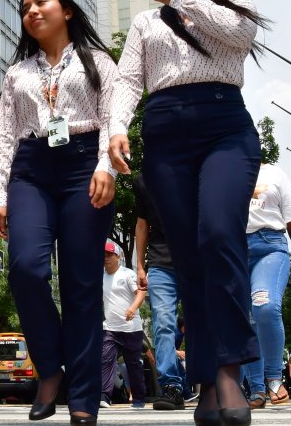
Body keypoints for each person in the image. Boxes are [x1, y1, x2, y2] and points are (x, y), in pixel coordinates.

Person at [110, 0, 268, 426]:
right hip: (164, 135)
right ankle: (205, 380)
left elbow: (238, 37)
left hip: (225, 128)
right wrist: (116, 128)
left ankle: (227, 375)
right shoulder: (144, 23)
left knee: (219, 236)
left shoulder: (234, 6)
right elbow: (128, 79)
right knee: (189, 260)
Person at [0, 0, 117, 424]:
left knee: (80, 285)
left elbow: (113, 120)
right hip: (32, 169)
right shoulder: (17, 73)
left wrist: (107, 168)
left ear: (67, 11)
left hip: (85, 164)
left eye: (41, 2)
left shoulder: (98, 62)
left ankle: (83, 394)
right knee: (26, 267)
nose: (32, 10)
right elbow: (5, 136)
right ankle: (49, 370)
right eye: (25, 7)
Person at [241, 163, 291, 408]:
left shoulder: (275, 173)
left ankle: (274, 378)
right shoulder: (222, 171)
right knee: (247, 319)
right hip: (233, 249)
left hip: (270, 245)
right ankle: (256, 389)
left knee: (264, 306)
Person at [134, 174, 187, 410]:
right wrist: (140, 266)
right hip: (160, 264)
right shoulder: (143, 180)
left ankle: (213, 383)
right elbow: (142, 223)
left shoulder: (194, 167)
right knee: (163, 323)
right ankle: (171, 386)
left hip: (196, 262)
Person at [100, 241, 147, 410]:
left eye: (109, 255)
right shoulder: (101, 277)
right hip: (110, 328)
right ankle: (104, 395)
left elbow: (141, 292)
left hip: (131, 329)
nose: (106, 259)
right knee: (105, 359)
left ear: (117, 257)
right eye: (103, 255)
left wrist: (133, 308)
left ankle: (139, 398)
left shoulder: (127, 274)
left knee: (133, 364)